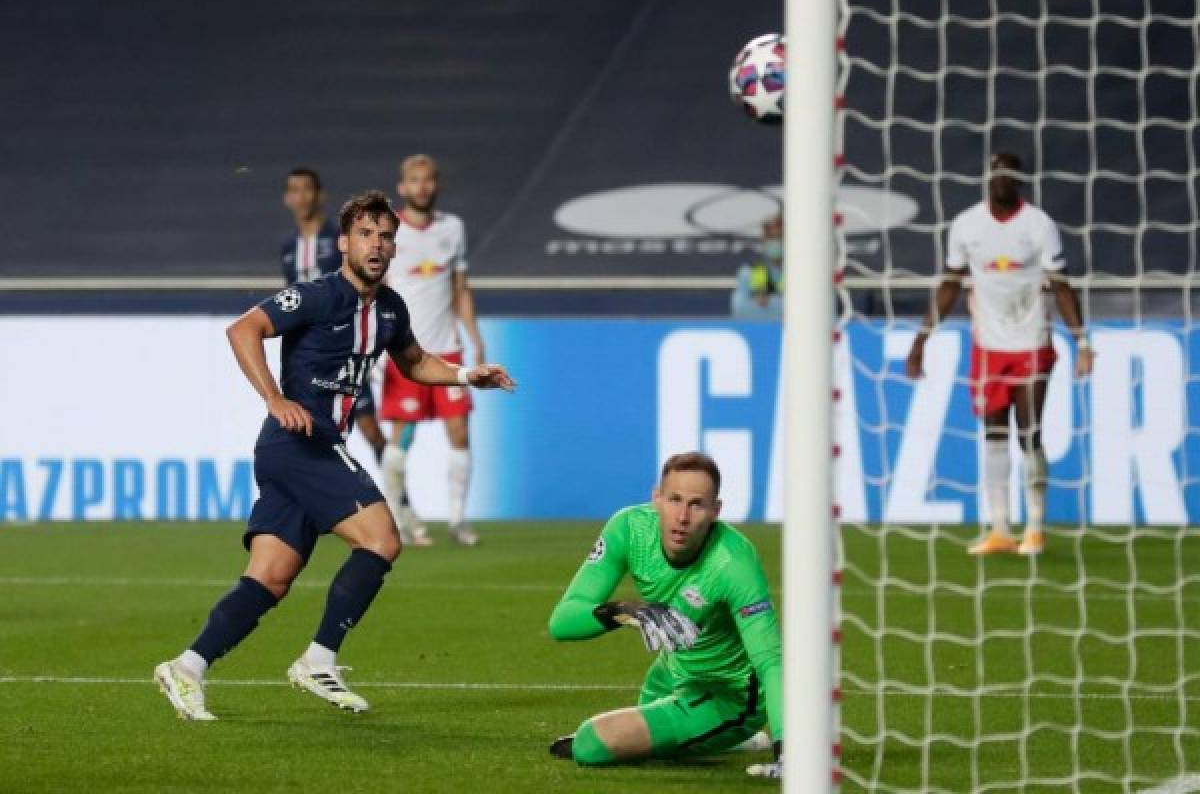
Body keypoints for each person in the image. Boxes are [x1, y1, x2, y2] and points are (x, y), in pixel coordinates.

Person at [154, 190, 515, 721]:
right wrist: (274, 398)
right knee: (383, 540)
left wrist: (464, 375)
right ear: (344, 243)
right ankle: (318, 660)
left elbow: (412, 362)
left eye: (386, 236)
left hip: (307, 452)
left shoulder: (389, 307)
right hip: (299, 445)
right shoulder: (318, 296)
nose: (377, 244)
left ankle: (186, 667)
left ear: (395, 248)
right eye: (366, 234)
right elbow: (243, 329)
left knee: (270, 577)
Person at [545, 452, 783, 779]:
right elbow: (562, 623)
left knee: (590, 743)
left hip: (731, 697)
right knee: (641, 729)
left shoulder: (734, 563)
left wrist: (789, 751)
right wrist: (621, 611)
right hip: (672, 673)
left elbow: (771, 661)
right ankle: (721, 741)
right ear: (656, 498)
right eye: (674, 500)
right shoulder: (629, 528)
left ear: (715, 512)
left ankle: (732, 732)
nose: (682, 516)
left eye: (697, 504)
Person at [906, 151, 1093, 556]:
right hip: (988, 347)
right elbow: (950, 283)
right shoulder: (966, 226)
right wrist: (921, 340)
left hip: (1031, 342)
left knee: (1029, 434)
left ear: (1020, 181)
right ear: (988, 178)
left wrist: (1082, 343)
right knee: (993, 435)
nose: (1002, 180)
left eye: (1009, 174)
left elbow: (1062, 285)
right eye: (996, 173)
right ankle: (999, 528)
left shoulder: (1038, 225)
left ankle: (1036, 528)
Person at [378, 154, 486, 547]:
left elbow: (460, 287)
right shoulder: (390, 232)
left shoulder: (452, 228)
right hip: (406, 349)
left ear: (436, 184)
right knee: (401, 437)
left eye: (428, 180)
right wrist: (377, 346)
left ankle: (458, 520)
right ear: (402, 188)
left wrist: (474, 336)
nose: (421, 187)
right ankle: (394, 518)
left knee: (460, 432)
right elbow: (377, 289)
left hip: (449, 349)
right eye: (414, 180)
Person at [280, 168, 388, 461]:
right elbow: (289, 297)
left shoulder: (339, 239)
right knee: (305, 430)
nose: (301, 196)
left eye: (307, 189)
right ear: (286, 198)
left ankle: (400, 500)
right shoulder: (288, 247)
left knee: (369, 428)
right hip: (307, 356)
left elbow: (371, 282)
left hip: (346, 348)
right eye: (294, 190)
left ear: (320, 195)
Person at [730, 213, 784, 319]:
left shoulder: (802, 272)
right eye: (771, 238)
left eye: (779, 238)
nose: (775, 242)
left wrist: (770, 303)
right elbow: (740, 309)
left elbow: (808, 307)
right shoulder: (752, 270)